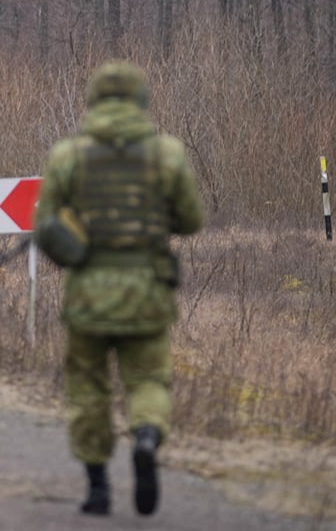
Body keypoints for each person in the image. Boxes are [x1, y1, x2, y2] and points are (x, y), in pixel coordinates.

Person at [32, 60, 204, 517]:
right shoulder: (167, 154)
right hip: (147, 291)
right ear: (141, 101)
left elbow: (44, 223)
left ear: (93, 100)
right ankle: (146, 437)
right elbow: (191, 221)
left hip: (88, 293)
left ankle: (97, 489)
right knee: (148, 379)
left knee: (88, 387)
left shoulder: (68, 155)